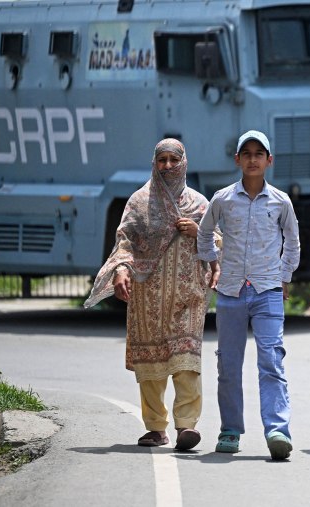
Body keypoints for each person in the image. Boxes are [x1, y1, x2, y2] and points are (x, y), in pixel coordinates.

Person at [84, 138, 211, 451]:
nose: (167, 165)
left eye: (173, 160)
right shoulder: (139, 202)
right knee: (151, 366)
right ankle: (155, 427)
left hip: (187, 296)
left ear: (184, 163)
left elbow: (220, 243)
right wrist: (121, 271)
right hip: (147, 298)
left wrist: (200, 232)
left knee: (186, 361)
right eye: (162, 160)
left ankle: (186, 426)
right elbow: (124, 241)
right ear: (154, 163)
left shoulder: (200, 205)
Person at [196, 130, 300, 460]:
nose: (253, 159)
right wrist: (214, 265)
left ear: (269, 160)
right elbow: (203, 235)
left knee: (271, 360)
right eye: (247, 153)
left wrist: (284, 276)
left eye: (259, 153)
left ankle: (277, 430)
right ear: (237, 159)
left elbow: (292, 241)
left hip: (267, 290)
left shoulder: (281, 201)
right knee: (229, 364)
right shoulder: (223, 199)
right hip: (229, 293)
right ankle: (230, 430)